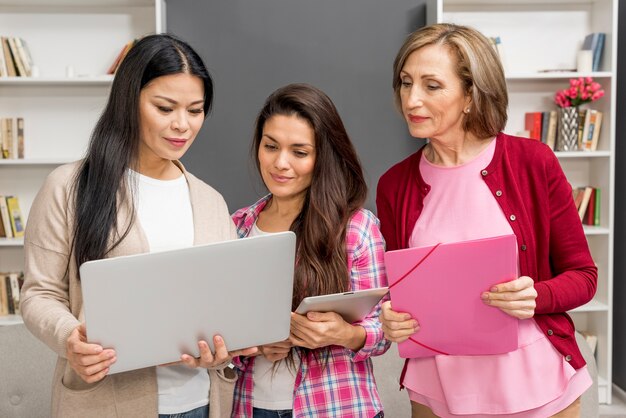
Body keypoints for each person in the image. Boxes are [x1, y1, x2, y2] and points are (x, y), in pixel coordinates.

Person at [20, 33, 255, 418]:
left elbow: (224, 307)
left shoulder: (211, 202)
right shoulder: (68, 186)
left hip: (200, 402)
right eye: (165, 108)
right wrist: (70, 339)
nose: (182, 124)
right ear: (129, 102)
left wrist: (227, 346)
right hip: (106, 402)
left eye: (195, 110)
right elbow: (39, 294)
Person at [376, 23, 597, 418]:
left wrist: (536, 297)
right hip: (436, 389)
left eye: (431, 85)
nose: (411, 99)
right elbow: (398, 290)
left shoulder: (532, 162)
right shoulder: (394, 185)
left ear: (469, 95)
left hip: (536, 384)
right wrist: (391, 318)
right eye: (406, 83)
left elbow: (583, 276)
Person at [230, 83, 389, 417]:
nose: (280, 163)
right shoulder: (237, 227)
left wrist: (345, 334)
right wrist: (253, 346)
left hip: (335, 406)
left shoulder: (356, 229)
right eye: (270, 146)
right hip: (252, 406)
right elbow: (218, 330)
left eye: (299, 152)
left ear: (322, 157)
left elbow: (383, 329)